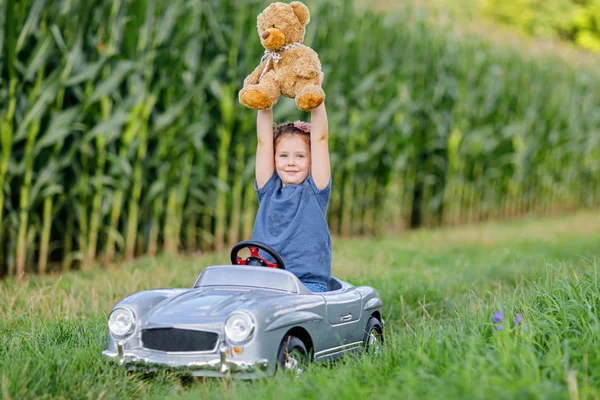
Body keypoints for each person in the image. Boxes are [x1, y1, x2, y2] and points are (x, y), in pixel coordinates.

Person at [251, 77, 331, 293]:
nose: (291, 162)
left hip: (307, 285)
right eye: (284, 155)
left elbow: (321, 139)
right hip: (266, 282)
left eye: (300, 156)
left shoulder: (315, 191)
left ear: (312, 160)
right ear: (274, 159)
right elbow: (263, 142)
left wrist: (315, 91)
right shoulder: (268, 189)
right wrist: (265, 96)